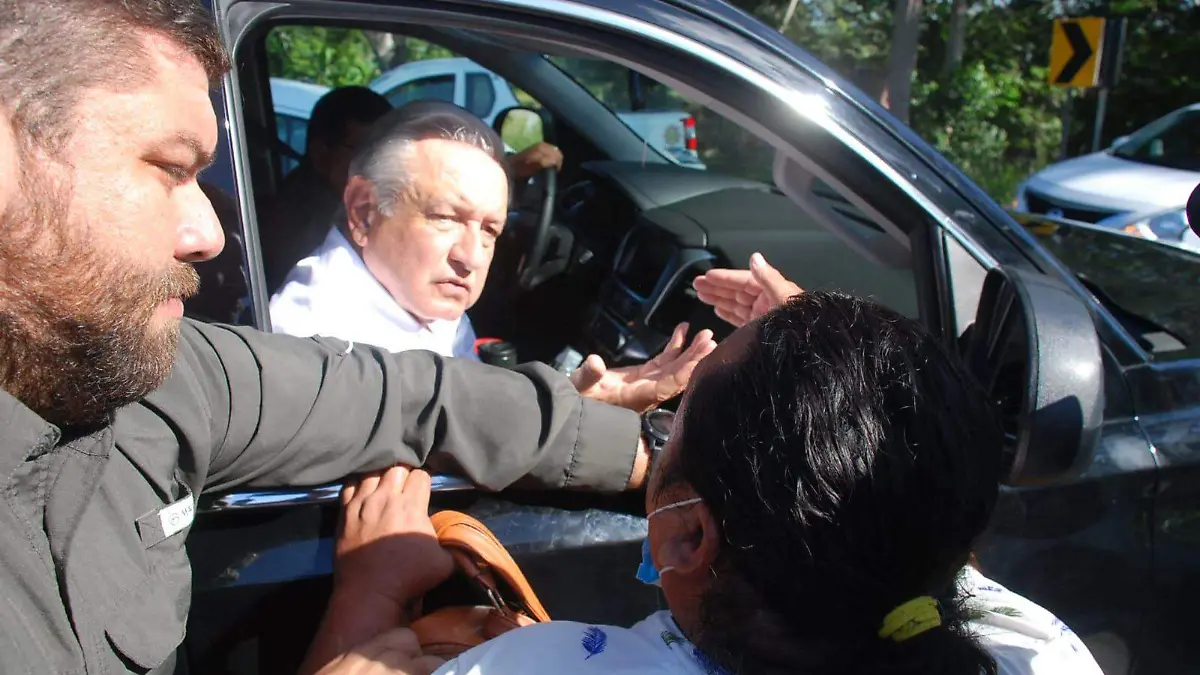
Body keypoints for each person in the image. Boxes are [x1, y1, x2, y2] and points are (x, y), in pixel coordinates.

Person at [0, 2, 654, 674]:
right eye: (170, 168)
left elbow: (405, 398)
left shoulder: (170, 380)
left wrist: (634, 443)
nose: (208, 234)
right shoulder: (231, 339)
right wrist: (363, 615)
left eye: (489, 229)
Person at [306, 278, 1104, 675]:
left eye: (667, 428)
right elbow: (913, 510)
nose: (656, 436)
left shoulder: (534, 665)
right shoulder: (1039, 650)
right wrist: (836, 365)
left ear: (686, 535)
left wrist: (367, 598)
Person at [270, 101, 716, 412]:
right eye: (444, 218)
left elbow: (462, 412)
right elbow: (438, 439)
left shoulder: (407, 292)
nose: (470, 256)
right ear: (365, 212)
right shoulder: (319, 347)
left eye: (489, 230)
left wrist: (580, 400)